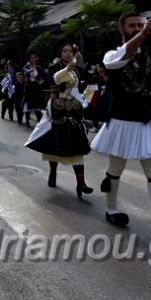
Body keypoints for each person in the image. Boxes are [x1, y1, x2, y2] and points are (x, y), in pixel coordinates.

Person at [90, 12, 151, 236]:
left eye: (139, 25)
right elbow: (123, 58)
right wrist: (143, 34)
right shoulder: (112, 54)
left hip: (145, 120)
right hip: (121, 121)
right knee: (114, 171)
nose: (136, 28)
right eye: (131, 26)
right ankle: (111, 209)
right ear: (121, 29)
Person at [26, 41, 94, 198]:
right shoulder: (54, 68)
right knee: (55, 144)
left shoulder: (77, 69)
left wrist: (85, 98)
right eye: (65, 51)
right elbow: (52, 81)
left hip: (75, 112)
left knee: (78, 146)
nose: (68, 54)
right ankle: (53, 172)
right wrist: (66, 70)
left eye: (70, 51)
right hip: (58, 111)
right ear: (60, 54)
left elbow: (92, 80)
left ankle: (81, 183)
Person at [22, 52, 45, 127]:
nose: (33, 59)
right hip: (29, 87)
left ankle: (39, 121)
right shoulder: (26, 67)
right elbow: (25, 74)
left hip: (36, 87)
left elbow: (42, 77)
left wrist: (41, 81)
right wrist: (28, 72)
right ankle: (27, 120)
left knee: (37, 105)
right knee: (28, 104)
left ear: (37, 58)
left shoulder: (39, 68)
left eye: (35, 57)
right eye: (32, 57)